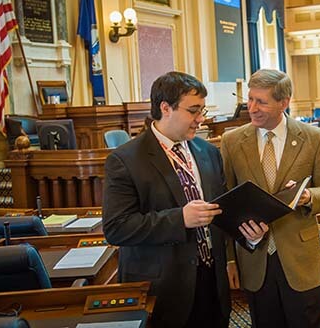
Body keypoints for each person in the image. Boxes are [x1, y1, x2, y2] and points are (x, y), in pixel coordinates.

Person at [103, 72, 265, 328]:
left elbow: (222, 212)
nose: (201, 119)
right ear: (165, 108)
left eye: (201, 110)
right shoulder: (126, 160)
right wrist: (180, 219)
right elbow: (116, 228)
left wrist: (250, 234)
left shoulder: (209, 152)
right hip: (164, 287)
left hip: (212, 283)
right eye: (193, 111)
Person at [221, 69, 320, 328]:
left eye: (261, 101)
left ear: (284, 102)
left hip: (301, 261)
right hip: (254, 261)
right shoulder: (231, 141)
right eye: (250, 99)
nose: (252, 108)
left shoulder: (314, 138)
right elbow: (226, 206)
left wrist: (307, 195)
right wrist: (231, 259)